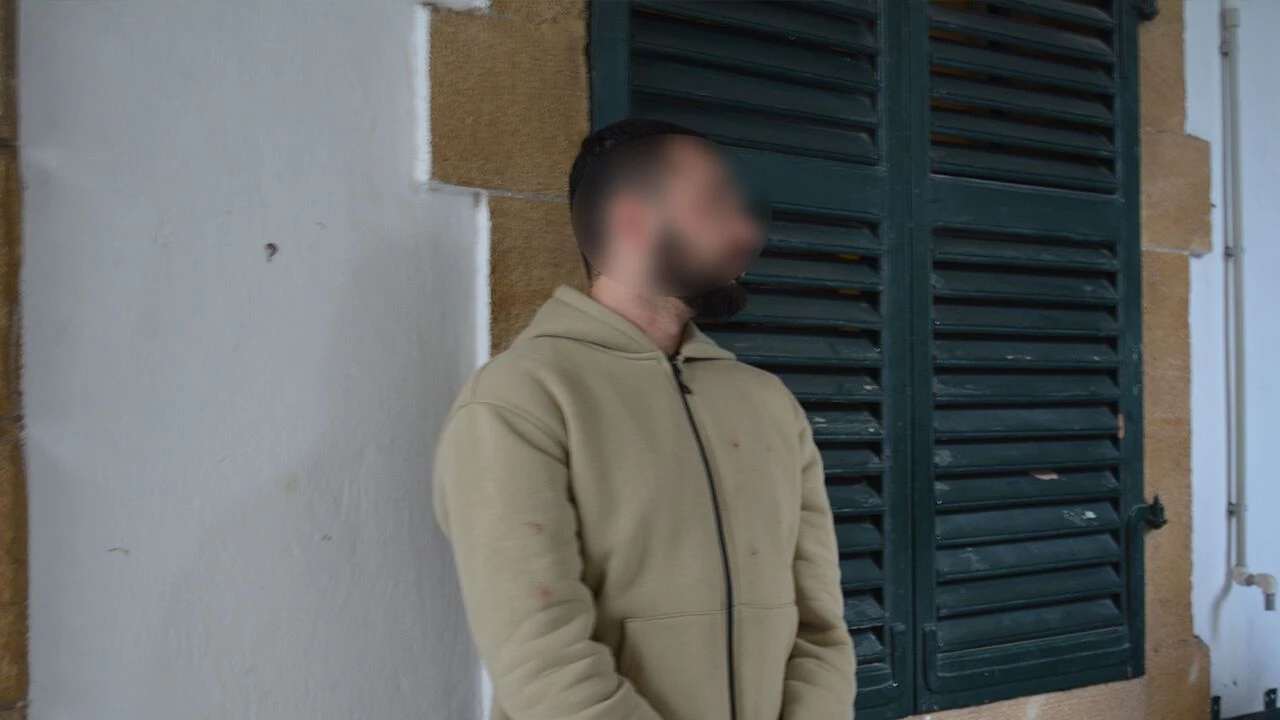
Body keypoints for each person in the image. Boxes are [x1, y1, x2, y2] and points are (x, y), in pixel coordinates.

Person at [434, 119, 855, 720]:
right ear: (632, 221)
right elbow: (542, 659)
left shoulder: (768, 402)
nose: (746, 232)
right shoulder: (519, 400)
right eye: (717, 205)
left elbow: (821, 628)